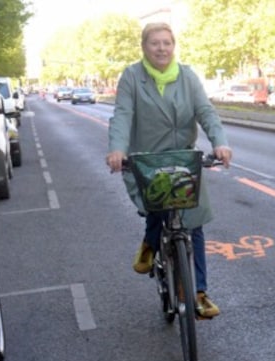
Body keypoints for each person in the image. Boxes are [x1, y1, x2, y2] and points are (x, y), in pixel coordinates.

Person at [106, 22, 232, 319]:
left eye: (166, 43)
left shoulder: (187, 77)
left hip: (183, 159)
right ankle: (151, 243)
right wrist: (117, 150)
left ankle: (198, 292)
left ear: (173, 46)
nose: (161, 48)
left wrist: (220, 142)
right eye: (155, 43)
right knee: (159, 205)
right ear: (144, 47)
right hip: (147, 159)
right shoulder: (132, 77)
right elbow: (123, 115)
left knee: (194, 221)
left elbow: (206, 112)